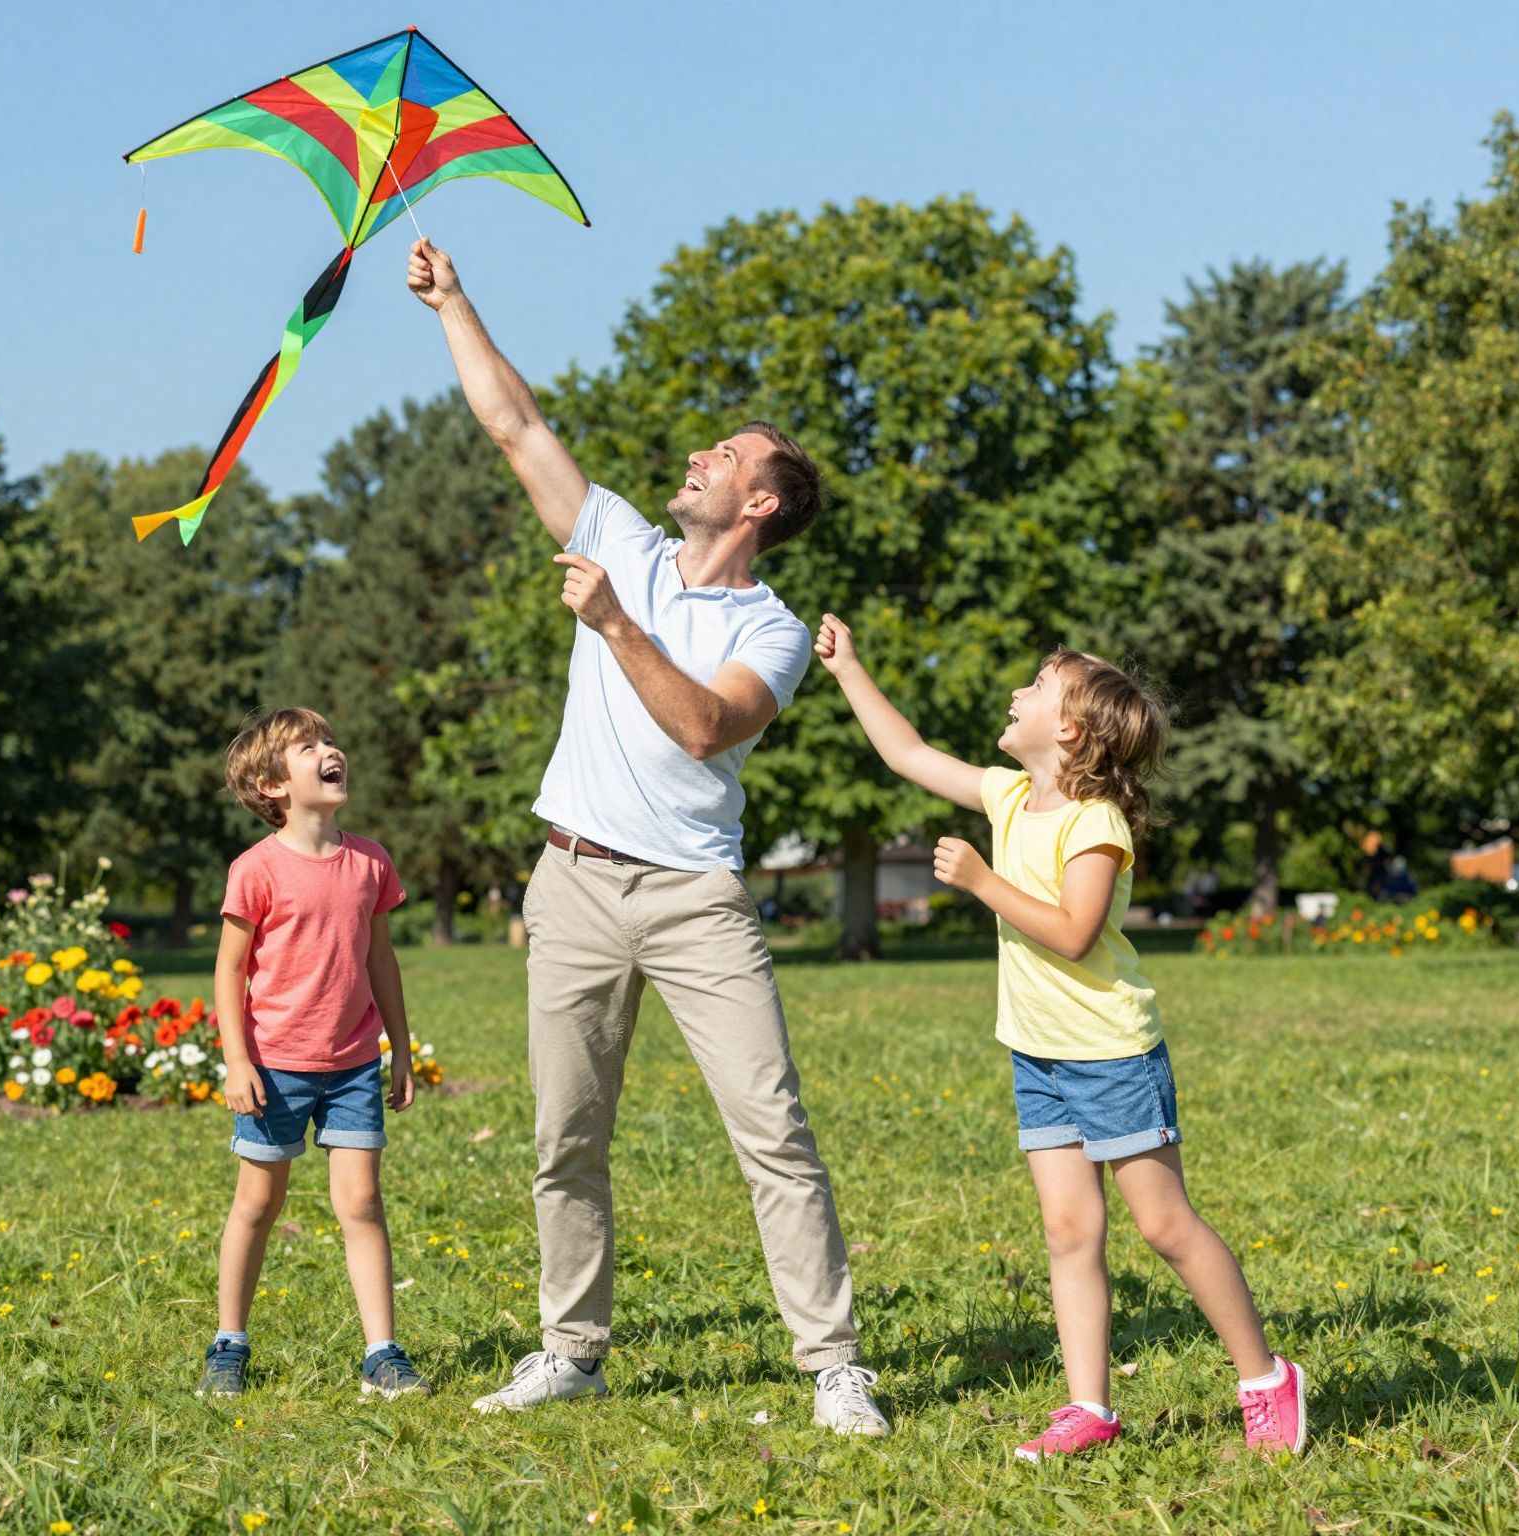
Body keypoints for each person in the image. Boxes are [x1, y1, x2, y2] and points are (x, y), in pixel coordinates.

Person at [406, 238, 888, 1435]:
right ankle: (570, 1349)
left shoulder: (769, 628)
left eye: (724, 455)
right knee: (562, 1135)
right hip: (569, 882)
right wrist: (455, 302)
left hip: (692, 899)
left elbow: (700, 727)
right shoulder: (615, 530)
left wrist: (617, 625)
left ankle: (831, 1365)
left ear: (759, 502)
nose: (697, 456)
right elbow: (515, 426)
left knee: (769, 1128)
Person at [813, 618, 1307, 1460]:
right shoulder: (1010, 796)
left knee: (1164, 1226)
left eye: (1037, 686)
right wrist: (850, 669)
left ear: (1070, 730)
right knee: (1070, 1234)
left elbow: (1075, 933)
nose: (1016, 693)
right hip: (1039, 1055)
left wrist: (982, 882)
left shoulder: (1097, 823)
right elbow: (909, 754)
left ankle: (1265, 1377)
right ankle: (1090, 1408)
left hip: (1111, 1054)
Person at [197, 707, 424, 1400]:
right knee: (258, 1203)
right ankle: (229, 1342)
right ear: (271, 784)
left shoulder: (369, 862)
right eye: (307, 747)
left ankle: (381, 1352)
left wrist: (401, 1050)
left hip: (352, 1063)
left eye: (330, 741)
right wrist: (237, 1062)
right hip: (272, 1067)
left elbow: (381, 959)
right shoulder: (256, 870)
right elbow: (228, 971)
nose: (330, 751)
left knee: (361, 1202)